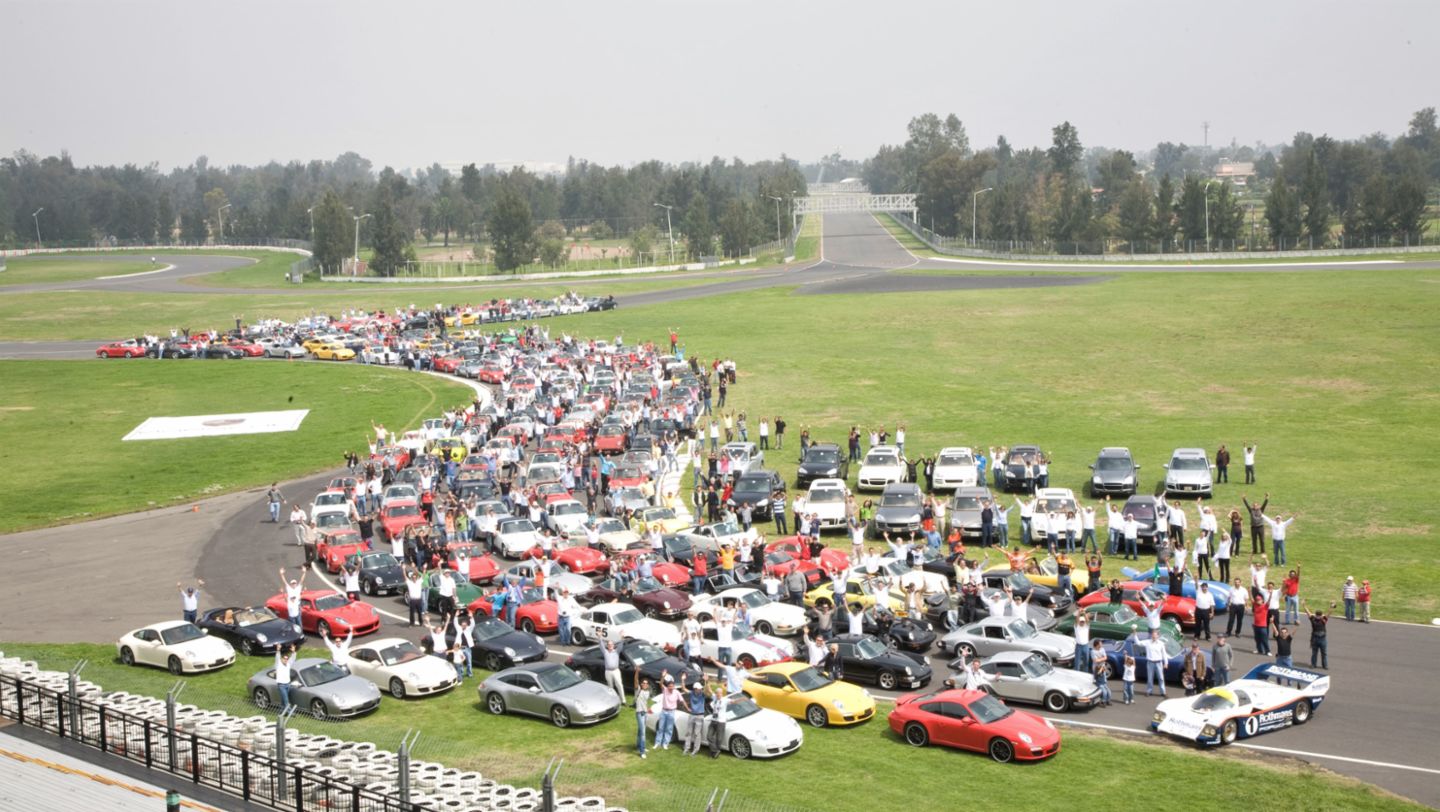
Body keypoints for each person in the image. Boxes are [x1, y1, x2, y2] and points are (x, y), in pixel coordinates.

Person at [682, 680, 708, 756]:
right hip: (692, 715)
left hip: (700, 715)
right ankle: (686, 748)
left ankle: (695, 750)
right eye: (698, 689)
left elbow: (706, 691)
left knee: (697, 734)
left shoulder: (702, 694)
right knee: (688, 732)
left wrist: (706, 681)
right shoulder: (691, 693)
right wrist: (683, 680)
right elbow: (683, 689)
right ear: (695, 689)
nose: (700, 689)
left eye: (700, 688)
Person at [1303, 601, 1331, 669]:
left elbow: (1329, 613)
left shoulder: (1324, 619)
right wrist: (1304, 606)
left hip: (1322, 639)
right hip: (1315, 638)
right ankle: (1313, 664)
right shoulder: (1313, 618)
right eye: (1317, 615)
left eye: (1319, 615)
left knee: (1324, 653)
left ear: (1321, 615)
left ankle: (1325, 665)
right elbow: (1308, 613)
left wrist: (1331, 607)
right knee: (1314, 653)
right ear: (1315, 615)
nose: (1318, 617)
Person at [278, 566, 307, 631]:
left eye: (295, 583)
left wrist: (304, 573)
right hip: (291, 613)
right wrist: (281, 574)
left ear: (296, 584)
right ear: (290, 584)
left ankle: (301, 634)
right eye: (292, 583)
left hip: (297, 609)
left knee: (299, 624)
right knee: (294, 626)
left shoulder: (298, 588)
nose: (294, 584)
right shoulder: (289, 588)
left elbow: (302, 580)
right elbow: (284, 581)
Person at [655, 673, 680, 750]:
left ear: (674, 686)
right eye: (669, 686)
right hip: (664, 711)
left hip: (671, 712)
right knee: (661, 727)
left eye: (672, 686)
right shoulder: (665, 690)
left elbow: (681, 700)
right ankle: (657, 743)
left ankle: (665, 743)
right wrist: (663, 676)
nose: (670, 687)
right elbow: (661, 683)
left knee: (669, 729)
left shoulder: (676, 692)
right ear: (668, 686)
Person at [1142, 631, 1168, 697]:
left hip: (1159, 663)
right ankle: (1149, 691)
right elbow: (1138, 643)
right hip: (1150, 662)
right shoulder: (1147, 642)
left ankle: (1163, 692)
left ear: (1157, 636)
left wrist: (1166, 663)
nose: (1153, 637)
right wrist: (1135, 634)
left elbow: (1164, 654)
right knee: (1150, 678)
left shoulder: (1161, 644)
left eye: (1155, 635)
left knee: (1161, 678)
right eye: (1152, 635)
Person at [633, 674, 652, 758]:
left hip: (645, 713)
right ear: (641, 684)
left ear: (648, 685)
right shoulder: (638, 690)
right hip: (639, 713)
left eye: (646, 683)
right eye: (643, 683)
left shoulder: (647, 692)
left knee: (640, 731)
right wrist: (637, 672)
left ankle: (638, 746)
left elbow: (644, 702)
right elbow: (636, 680)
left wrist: (647, 709)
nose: (644, 684)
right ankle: (642, 751)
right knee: (643, 733)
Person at [1090, 641, 1112, 706]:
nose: (1101, 646)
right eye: (1100, 645)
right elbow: (1096, 660)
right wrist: (1102, 659)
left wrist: (1100, 659)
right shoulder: (1093, 651)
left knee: (1100, 685)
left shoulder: (1102, 649)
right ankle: (1107, 700)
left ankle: (1103, 700)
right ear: (1096, 645)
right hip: (1097, 670)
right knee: (1103, 684)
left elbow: (1105, 658)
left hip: (1102, 669)